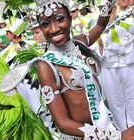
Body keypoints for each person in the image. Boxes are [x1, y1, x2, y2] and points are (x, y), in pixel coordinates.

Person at [31, 0, 134, 139]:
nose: (54, 29)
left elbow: (100, 25)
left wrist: (110, 3)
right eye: (45, 24)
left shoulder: (79, 43)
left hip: (106, 125)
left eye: (59, 19)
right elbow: (63, 124)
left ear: (70, 19)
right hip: (85, 136)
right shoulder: (45, 65)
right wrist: (115, 136)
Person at [97, 0, 134, 132]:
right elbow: (97, 48)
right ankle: (123, 130)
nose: (107, 11)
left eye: (110, 8)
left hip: (129, 65)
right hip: (109, 67)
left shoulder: (129, 17)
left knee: (132, 99)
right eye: (103, 9)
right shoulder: (96, 25)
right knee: (115, 102)